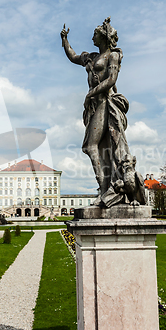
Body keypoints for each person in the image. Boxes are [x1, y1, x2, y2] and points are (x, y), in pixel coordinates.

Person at [60, 17, 131, 206]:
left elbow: (111, 80)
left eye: (95, 34)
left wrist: (90, 93)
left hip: (105, 103)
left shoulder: (113, 56)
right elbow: (73, 56)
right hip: (94, 106)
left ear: (104, 38)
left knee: (92, 146)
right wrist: (64, 40)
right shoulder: (91, 57)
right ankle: (105, 187)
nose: (92, 37)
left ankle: (104, 190)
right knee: (96, 148)